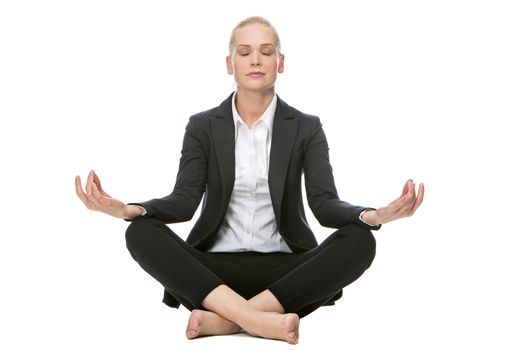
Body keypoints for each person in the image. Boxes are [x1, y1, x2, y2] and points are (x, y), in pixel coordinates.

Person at [75, 16, 424, 345]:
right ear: (230, 65)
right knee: (139, 230)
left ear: (280, 62)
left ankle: (226, 321)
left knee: (360, 241)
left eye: (266, 52)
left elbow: (324, 204)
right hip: (212, 272)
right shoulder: (202, 126)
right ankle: (261, 321)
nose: (255, 59)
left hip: (285, 272)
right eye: (244, 52)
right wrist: (127, 208)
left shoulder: (306, 127)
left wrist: (374, 216)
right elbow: (183, 202)